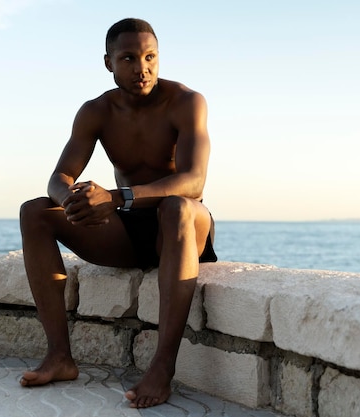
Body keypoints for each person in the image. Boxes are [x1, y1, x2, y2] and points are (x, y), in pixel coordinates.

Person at [18, 18, 217, 409]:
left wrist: (117, 196)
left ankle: (162, 367)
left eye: (150, 57)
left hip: (178, 229)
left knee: (177, 207)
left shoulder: (186, 102)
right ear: (108, 62)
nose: (142, 68)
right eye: (128, 58)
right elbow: (58, 177)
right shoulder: (96, 111)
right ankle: (59, 356)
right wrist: (73, 198)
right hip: (125, 231)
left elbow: (194, 182)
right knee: (36, 212)